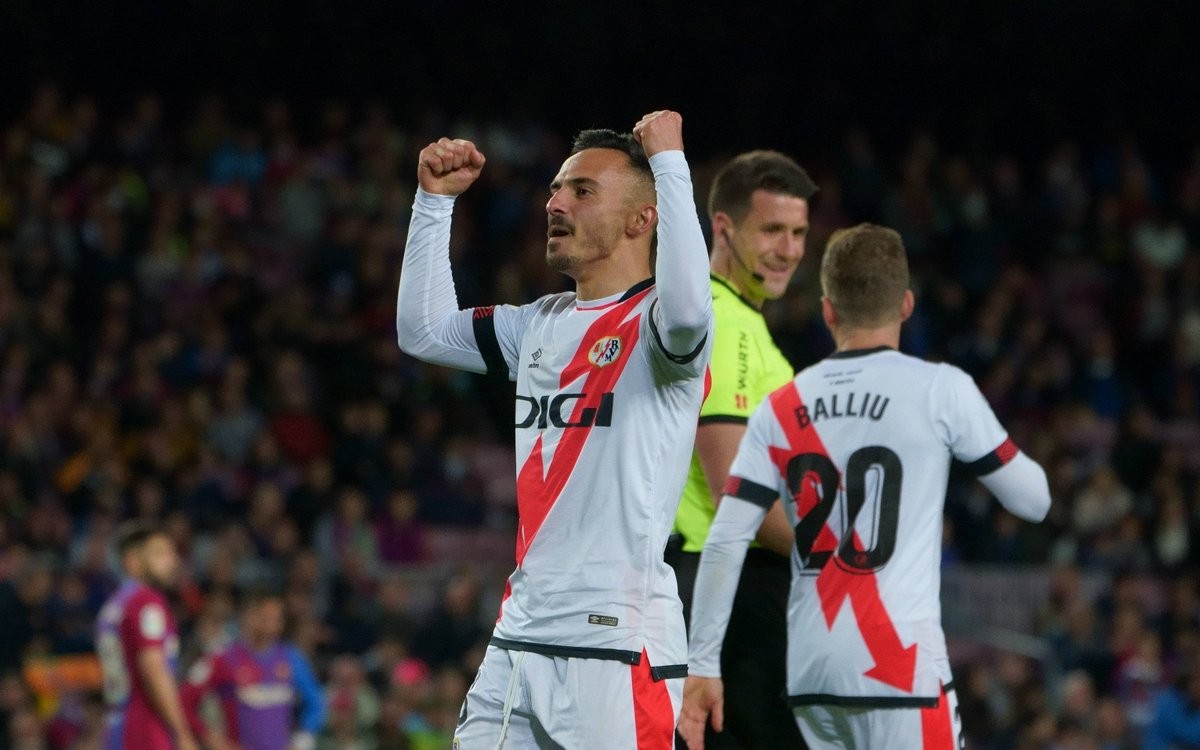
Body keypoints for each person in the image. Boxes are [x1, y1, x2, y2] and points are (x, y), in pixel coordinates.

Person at [396, 110, 713, 748]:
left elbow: (687, 310)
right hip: (519, 639)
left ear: (642, 219)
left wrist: (670, 163)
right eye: (556, 189)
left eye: (582, 191)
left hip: (617, 645)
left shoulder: (660, 329)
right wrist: (433, 204)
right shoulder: (537, 323)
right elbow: (422, 331)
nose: (555, 202)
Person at [678, 224, 1051, 750]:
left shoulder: (782, 406)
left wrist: (703, 665)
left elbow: (725, 539)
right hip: (898, 668)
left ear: (828, 311)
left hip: (812, 675)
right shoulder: (940, 389)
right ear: (906, 305)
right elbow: (1033, 501)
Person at [666, 150, 816, 750]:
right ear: (723, 227)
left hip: (734, 591)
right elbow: (737, 494)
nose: (789, 249)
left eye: (799, 233)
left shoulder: (741, 324)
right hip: (733, 594)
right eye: (772, 230)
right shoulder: (725, 326)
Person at [95, 521, 199, 750]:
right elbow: (153, 669)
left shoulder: (114, 605)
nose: (173, 561)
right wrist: (181, 733)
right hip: (146, 727)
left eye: (172, 553)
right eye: (160, 554)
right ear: (133, 561)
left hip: (117, 725)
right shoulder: (146, 601)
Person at [181, 591, 325, 750]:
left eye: (276, 619)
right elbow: (184, 701)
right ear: (247, 616)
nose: (270, 625)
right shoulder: (222, 658)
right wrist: (211, 738)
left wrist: (302, 740)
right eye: (264, 617)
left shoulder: (291, 658)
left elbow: (316, 702)